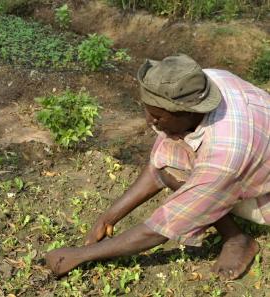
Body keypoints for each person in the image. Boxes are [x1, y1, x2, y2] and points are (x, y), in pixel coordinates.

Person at [45, 54, 270, 280]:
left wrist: (82, 255)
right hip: (254, 156)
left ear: (189, 112)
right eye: (148, 111)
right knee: (176, 166)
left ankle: (236, 239)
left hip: (264, 194)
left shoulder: (224, 154)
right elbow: (161, 167)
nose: (149, 121)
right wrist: (108, 218)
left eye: (157, 117)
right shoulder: (202, 84)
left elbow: (163, 227)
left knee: (198, 193)